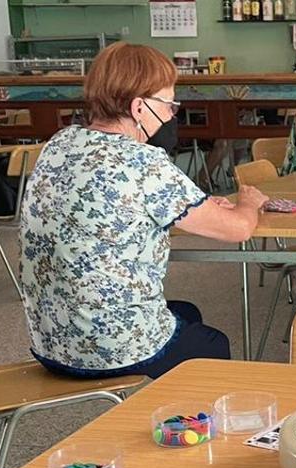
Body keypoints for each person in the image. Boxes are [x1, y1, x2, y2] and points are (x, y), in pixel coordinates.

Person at [20, 43, 268, 380]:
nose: (171, 115)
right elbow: (238, 229)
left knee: (186, 313)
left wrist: (202, 204)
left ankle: (160, 409)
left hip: (52, 341)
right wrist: (249, 203)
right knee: (213, 345)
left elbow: (120, 203)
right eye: (168, 104)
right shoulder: (143, 161)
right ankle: (185, 429)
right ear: (139, 107)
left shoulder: (60, 143)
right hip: (107, 348)